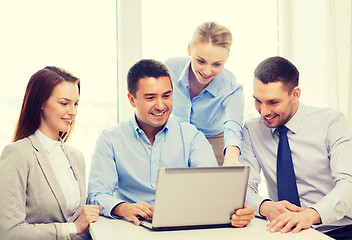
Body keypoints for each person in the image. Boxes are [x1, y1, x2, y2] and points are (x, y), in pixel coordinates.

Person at [87, 59, 254, 228]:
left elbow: (214, 192)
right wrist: (124, 208)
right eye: (151, 97)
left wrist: (238, 213)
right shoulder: (110, 139)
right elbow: (96, 195)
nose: (160, 105)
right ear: (132, 100)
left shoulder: (192, 136)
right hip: (131, 228)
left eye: (166, 96)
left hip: (183, 228)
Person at [240, 56, 352, 239]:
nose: (264, 111)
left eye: (273, 102)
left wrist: (310, 215)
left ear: (295, 94)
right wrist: (266, 207)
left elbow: (348, 182)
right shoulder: (252, 130)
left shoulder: (331, 122)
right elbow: (244, 188)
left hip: (337, 229)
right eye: (258, 101)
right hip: (285, 231)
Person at [0, 66, 102, 240]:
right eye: (64, 103)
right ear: (40, 102)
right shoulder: (17, 154)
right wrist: (72, 228)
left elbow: (81, 224)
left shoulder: (76, 157)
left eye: (76, 104)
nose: (73, 111)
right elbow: (9, 232)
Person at [165, 21, 244, 166]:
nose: (207, 71)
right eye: (201, 61)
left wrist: (232, 157)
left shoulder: (232, 88)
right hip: (178, 140)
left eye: (216, 64)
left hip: (214, 143)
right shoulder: (169, 69)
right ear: (190, 49)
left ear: (226, 59)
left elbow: (233, 123)